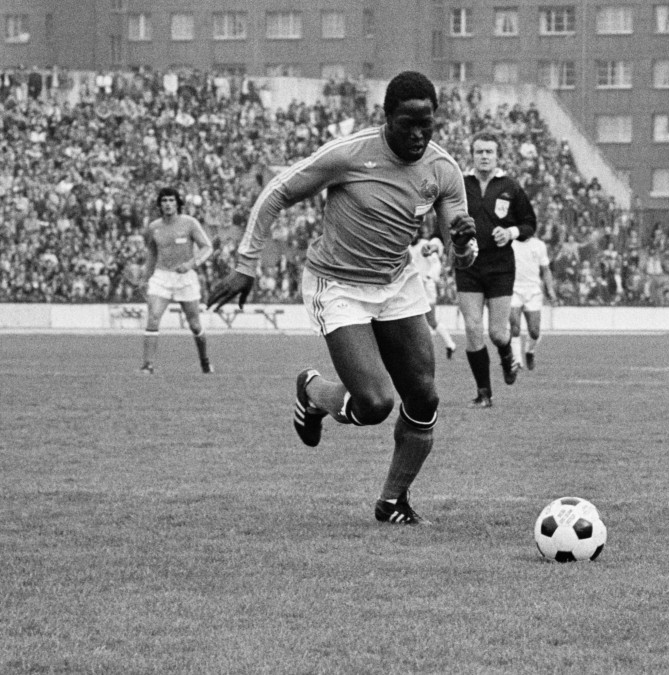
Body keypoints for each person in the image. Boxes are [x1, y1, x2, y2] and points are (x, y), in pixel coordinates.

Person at [206, 71, 479, 526]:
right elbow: (277, 193)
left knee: (424, 398)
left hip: (395, 284)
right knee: (374, 405)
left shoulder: (443, 170)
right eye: (407, 123)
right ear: (386, 117)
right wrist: (245, 264)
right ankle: (313, 392)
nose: (417, 134)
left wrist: (466, 245)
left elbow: (461, 255)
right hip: (337, 286)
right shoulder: (348, 154)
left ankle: (393, 501)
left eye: (426, 124)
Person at [457, 130, 537, 408]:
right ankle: (483, 394)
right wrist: (433, 241)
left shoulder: (510, 186)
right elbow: (443, 221)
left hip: (500, 267)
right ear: (472, 154)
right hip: (467, 264)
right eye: (479, 151)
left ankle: (507, 357)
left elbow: (530, 225)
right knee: (472, 327)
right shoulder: (460, 184)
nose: (484, 156)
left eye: (489, 151)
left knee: (498, 333)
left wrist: (512, 231)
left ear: (497, 155)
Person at [139, 186, 214, 375]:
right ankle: (147, 365)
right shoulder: (154, 227)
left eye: (171, 200)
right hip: (161, 276)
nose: (167, 204)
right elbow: (152, 254)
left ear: (178, 203)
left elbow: (207, 247)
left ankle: (204, 361)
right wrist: (144, 278)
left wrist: (190, 264)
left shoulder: (189, 223)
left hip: (185, 278)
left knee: (194, 324)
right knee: (153, 317)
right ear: (159, 205)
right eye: (164, 201)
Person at [408, 217, 458, 360]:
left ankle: (448, 344)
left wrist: (429, 277)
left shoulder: (426, 245)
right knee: (416, 319)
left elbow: (436, 264)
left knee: (430, 320)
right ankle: (447, 345)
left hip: (427, 287)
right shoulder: (407, 247)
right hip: (414, 287)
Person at [509, 230, 557, 371]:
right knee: (514, 326)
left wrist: (550, 290)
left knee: (534, 331)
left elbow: (546, 270)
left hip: (533, 291)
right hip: (514, 289)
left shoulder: (539, 245)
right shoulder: (510, 243)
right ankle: (517, 361)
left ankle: (530, 351)